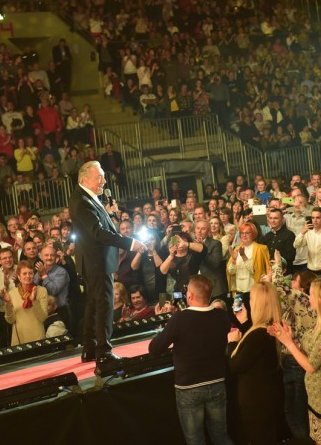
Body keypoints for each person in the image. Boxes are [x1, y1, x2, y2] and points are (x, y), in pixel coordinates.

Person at [69, 161, 145, 363]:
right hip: (96, 262)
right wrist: (131, 243)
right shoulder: (82, 201)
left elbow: (97, 226)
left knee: (94, 305)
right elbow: (97, 233)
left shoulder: (87, 198)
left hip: (95, 261)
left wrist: (109, 213)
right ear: (85, 178)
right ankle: (104, 352)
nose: (104, 181)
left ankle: (90, 348)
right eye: (99, 177)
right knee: (103, 306)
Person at [148, 275, 233, 445]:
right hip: (217, 382)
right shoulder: (222, 316)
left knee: (195, 440)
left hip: (189, 387)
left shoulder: (180, 319)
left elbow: (155, 349)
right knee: (221, 436)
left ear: (190, 295)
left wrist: (165, 329)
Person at [270, 278, 321, 445]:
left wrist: (288, 343)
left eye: (311, 294)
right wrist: (291, 339)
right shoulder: (319, 324)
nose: (308, 298)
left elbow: (311, 366)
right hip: (316, 399)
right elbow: (309, 351)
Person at [228, 282, 283, 445]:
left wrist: (232, 343)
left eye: (252, 298)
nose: (249, 302)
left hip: (257, 402)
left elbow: (236, 365)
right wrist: (244, 322)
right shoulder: (268, 328)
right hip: (265, 398)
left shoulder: (259, 335)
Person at [0, 260, 48, 345]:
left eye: (30, 273)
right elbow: (10, 320)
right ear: (19, 277)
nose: (28, 276)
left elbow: (42, 318)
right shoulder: (12, 293)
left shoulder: (41, 291)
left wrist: (34, 301)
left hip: (38, 337)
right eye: (24, 273)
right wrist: (8, 304)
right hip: (19, 339)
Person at [226, 223, 270, 297]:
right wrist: (234, 260)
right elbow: (231, 272)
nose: (244, 235)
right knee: (239, 309)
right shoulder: (236, 250)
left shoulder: (261, 249)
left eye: (247, 233)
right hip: (238, 292)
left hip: (254, 291)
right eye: (242, 233)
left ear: (253, 234)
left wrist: (243, 256)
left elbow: (255, 271)